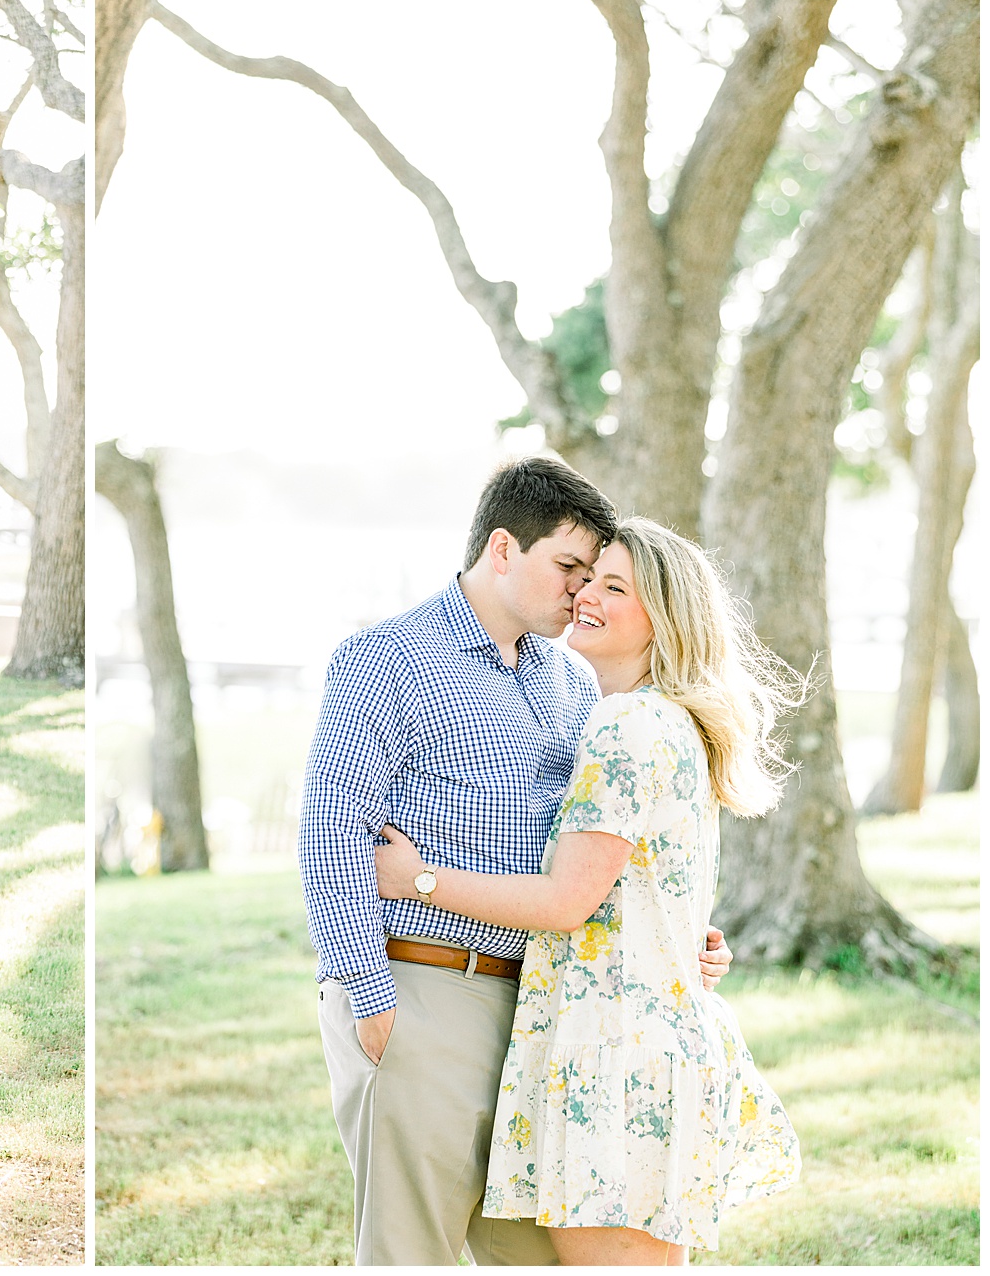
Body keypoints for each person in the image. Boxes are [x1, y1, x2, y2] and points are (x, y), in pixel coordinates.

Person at [298, 456, 733, 1266]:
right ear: (503, 549)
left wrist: (674, 932)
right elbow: (330, 834)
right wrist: (371, 1000)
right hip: (422, 988)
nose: (581, 593)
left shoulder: (574, 683)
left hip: (547, 1016)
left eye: (597, 577)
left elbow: (602, 845)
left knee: (536, 1259)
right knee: (410, 1255)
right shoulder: (385, 660)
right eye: (570, 568)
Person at [374, 517, 801, 1264]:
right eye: (587, 578)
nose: (585, 596)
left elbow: (566, 901)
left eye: (614, 587)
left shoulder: (625, 725)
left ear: (663, 618)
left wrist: (418, 880)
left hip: (615, 1057)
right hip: (651, 1042)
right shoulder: (671, 723)